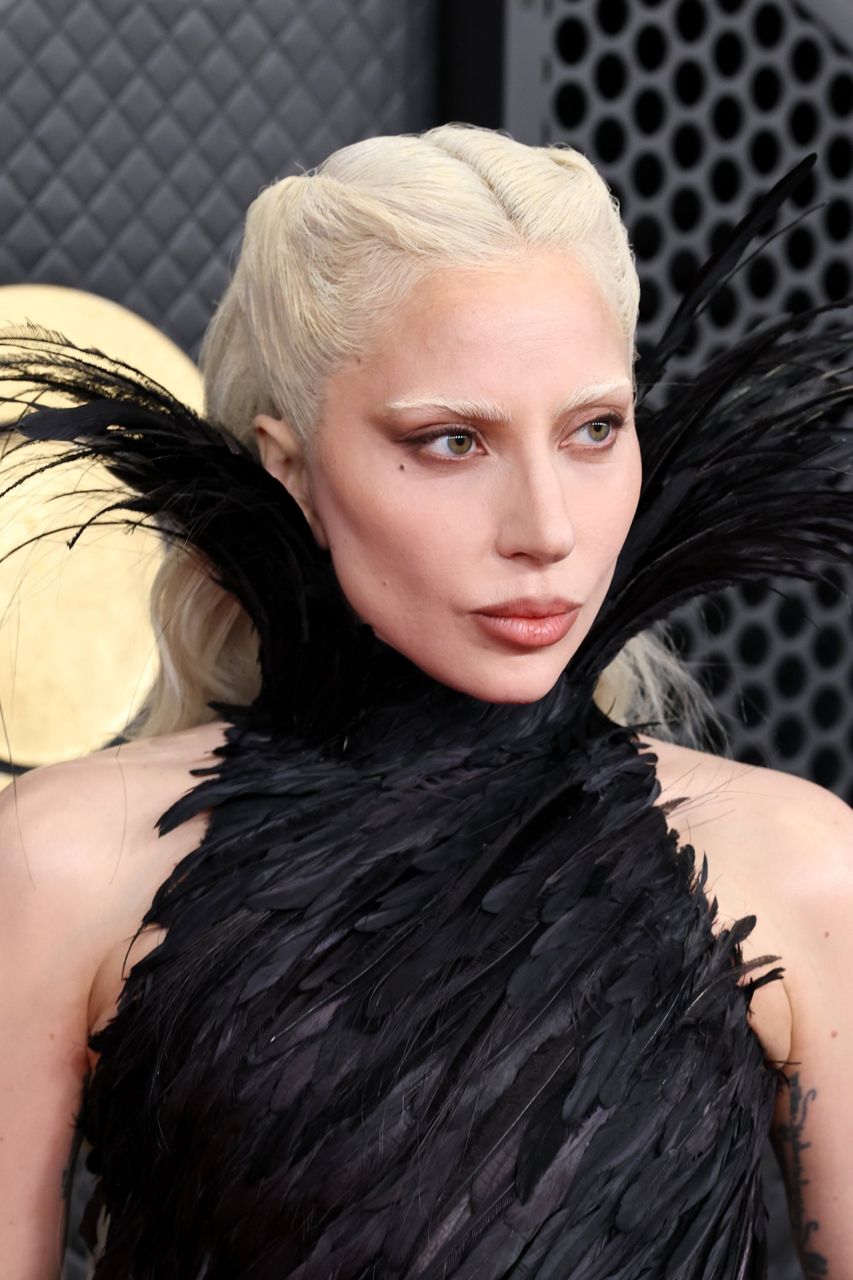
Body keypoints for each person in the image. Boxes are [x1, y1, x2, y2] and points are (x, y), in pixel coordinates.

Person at [0, 123, 851, 1280]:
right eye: (452, 440)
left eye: (593, 430)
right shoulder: (67, 863)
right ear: (289, 467)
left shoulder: (799, 869)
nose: (546, 528)